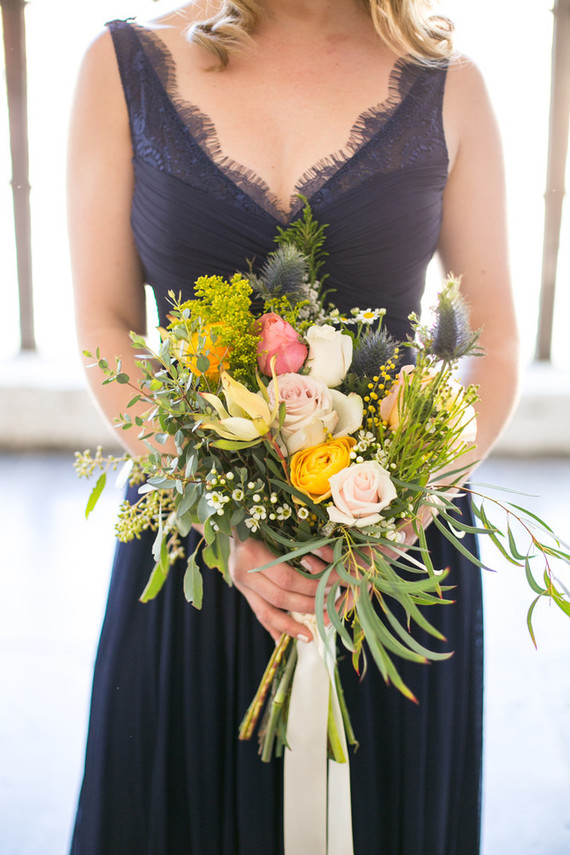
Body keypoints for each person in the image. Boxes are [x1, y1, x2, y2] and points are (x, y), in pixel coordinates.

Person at [67, 1, 519, 853]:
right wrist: (221, 517)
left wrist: (404, 509)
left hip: (390, 571)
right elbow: (104, 323)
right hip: (198, 548)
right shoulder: (120, 66)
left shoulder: (451, 85)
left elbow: (489, 339)